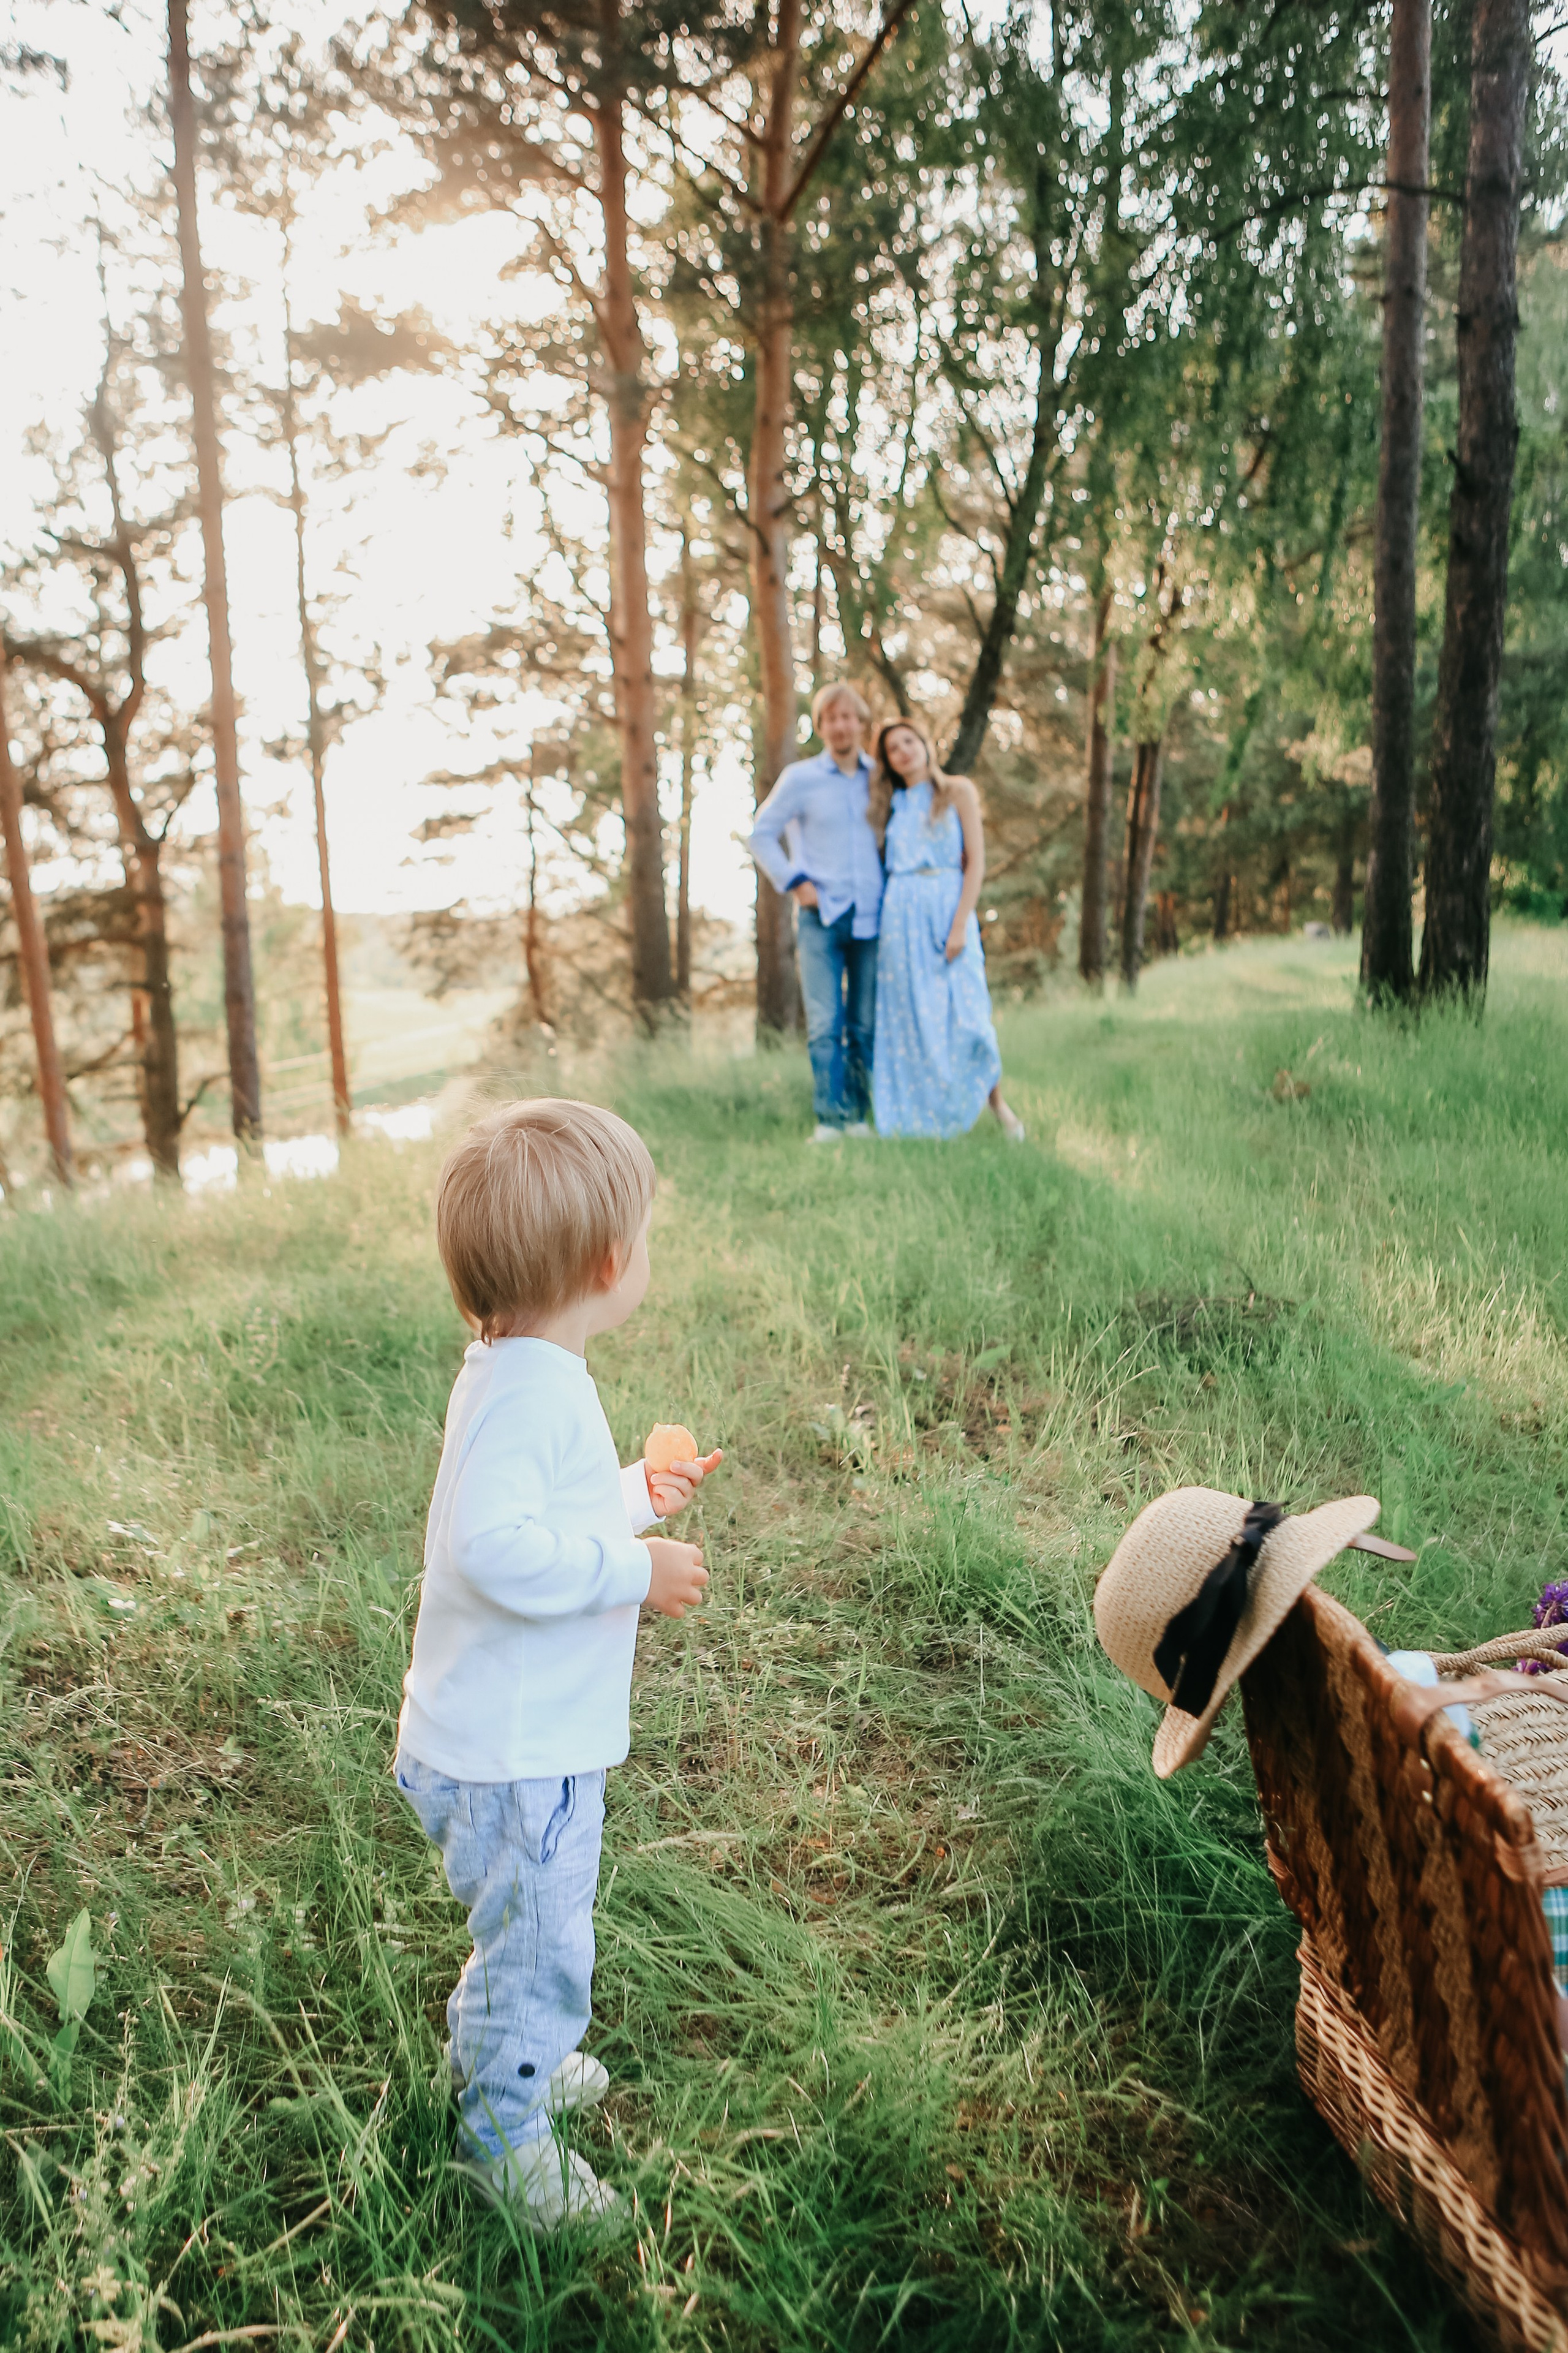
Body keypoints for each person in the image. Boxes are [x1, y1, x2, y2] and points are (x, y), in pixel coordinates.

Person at [393, 1098, 719, 2232]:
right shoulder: (531, 1387)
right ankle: (503, 2133)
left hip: (495, 1737)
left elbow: (534, 1511)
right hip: (517, 1760)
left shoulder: (516, 1368)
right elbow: (491, 1548)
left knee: (530, 1939)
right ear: (608, 1261)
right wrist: (635, 1568)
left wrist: (632, 1494)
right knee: (540, 1943)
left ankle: (506, 2058)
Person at [869, 719, 1025, 1141]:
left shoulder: (957, 792)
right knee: (914, 1018)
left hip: (947, 906)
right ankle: (922, 1115)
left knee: (969, 1013)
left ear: (924, 744)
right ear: (887, 761)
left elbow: (975, 861)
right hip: (900, 917)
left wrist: (960, 925)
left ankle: (998, 1105)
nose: (903, 750)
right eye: (893, 748)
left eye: (908, 741)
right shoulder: (892, 804)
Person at [748, 682, 881, 1140]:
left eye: (849, 717)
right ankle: (830, 1118)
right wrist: (795, 883)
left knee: (864, 1024)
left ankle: (860, 1118)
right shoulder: (801, 778)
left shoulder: (881, 777)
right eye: (831, 718)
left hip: (873, 916)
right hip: (820, 917)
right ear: (821, 726)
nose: (841, 725)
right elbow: (760, 834)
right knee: (825, 1023)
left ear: (862, 724)